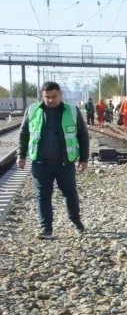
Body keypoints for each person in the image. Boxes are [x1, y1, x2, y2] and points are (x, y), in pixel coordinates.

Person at [16, 81, 89, 239]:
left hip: (65, 163)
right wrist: (20, 155)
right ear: (42, 96)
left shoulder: (72, 111)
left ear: (60, 94)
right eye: (46, 97)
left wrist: (84, 159)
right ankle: (46, 228)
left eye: (53, 96)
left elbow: (83, 135)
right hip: (40, 163)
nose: (50, 100)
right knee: (42, 195)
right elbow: (23, 134)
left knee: (70, 193)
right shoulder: (32, 110)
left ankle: (76, 220)